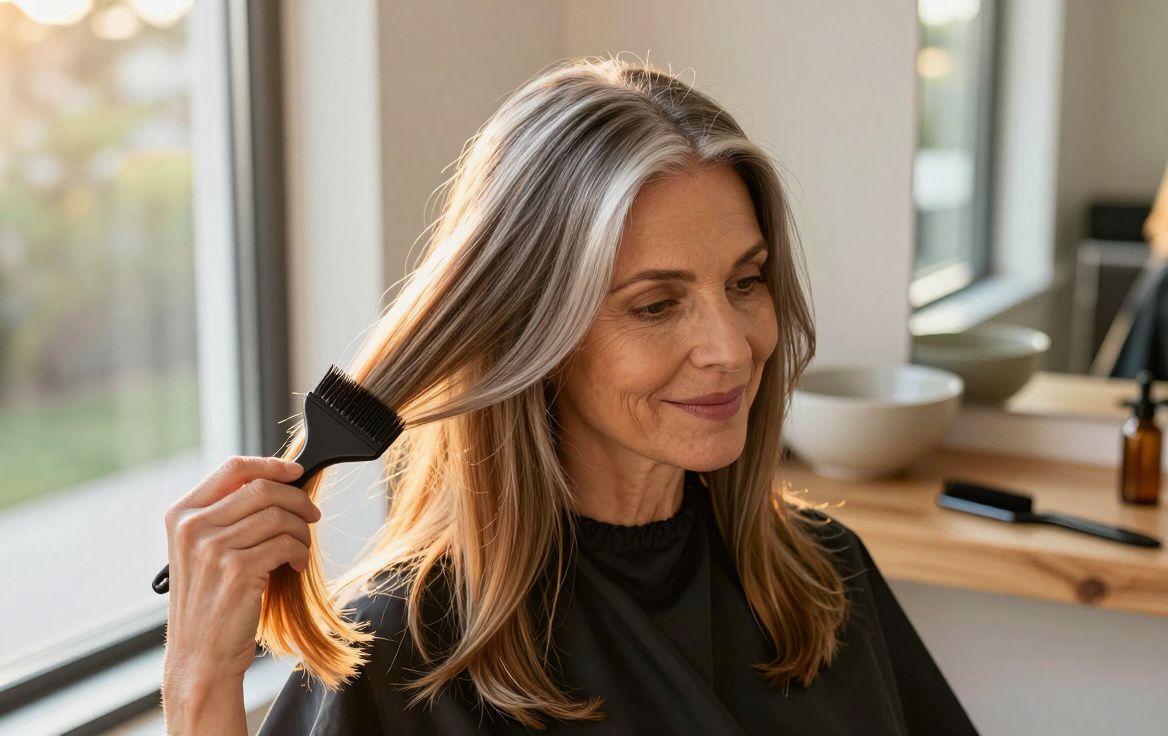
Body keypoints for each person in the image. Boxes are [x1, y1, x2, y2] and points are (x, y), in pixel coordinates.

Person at [160, 54, 980, 735]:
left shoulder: (823, 577)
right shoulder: (410, 653)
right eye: (656, 305)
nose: (732, 347)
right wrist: (200, 685)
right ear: (532, 333)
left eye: (746, 281)